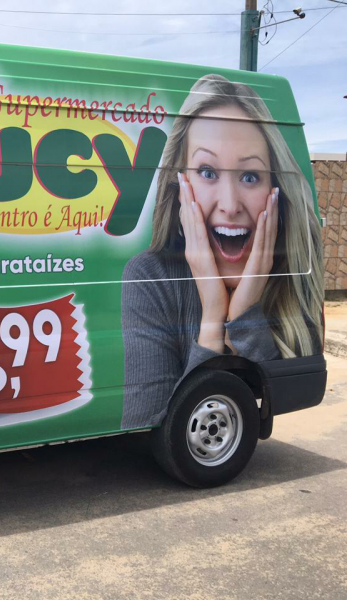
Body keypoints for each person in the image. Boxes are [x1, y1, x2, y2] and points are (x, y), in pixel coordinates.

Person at [121, 74, 324, 430]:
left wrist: (245, 312)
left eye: (249, 177)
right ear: (179, 185)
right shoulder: (151, 276)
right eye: (208, 171)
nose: (229, 206)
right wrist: (213, 317)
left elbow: (288, 386)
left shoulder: (293, 276)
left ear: (275, 188)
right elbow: (145, 426)